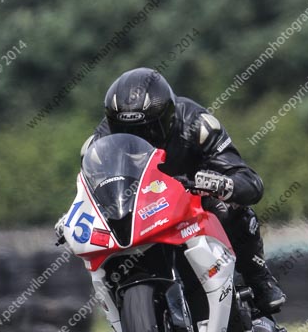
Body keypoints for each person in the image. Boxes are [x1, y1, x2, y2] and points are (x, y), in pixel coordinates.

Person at [57, 67, 285, 315]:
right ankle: (128, 312)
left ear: (167, 117)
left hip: (194, 201)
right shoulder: (100, 141)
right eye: (126, 132)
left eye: (146, 129)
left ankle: (258, 278)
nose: (136, 138)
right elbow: (92, 189)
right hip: (140, 210)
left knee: (230, 209)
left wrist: (220, 184)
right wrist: (73, 216)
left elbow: (249, 181)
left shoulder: (197, 124)